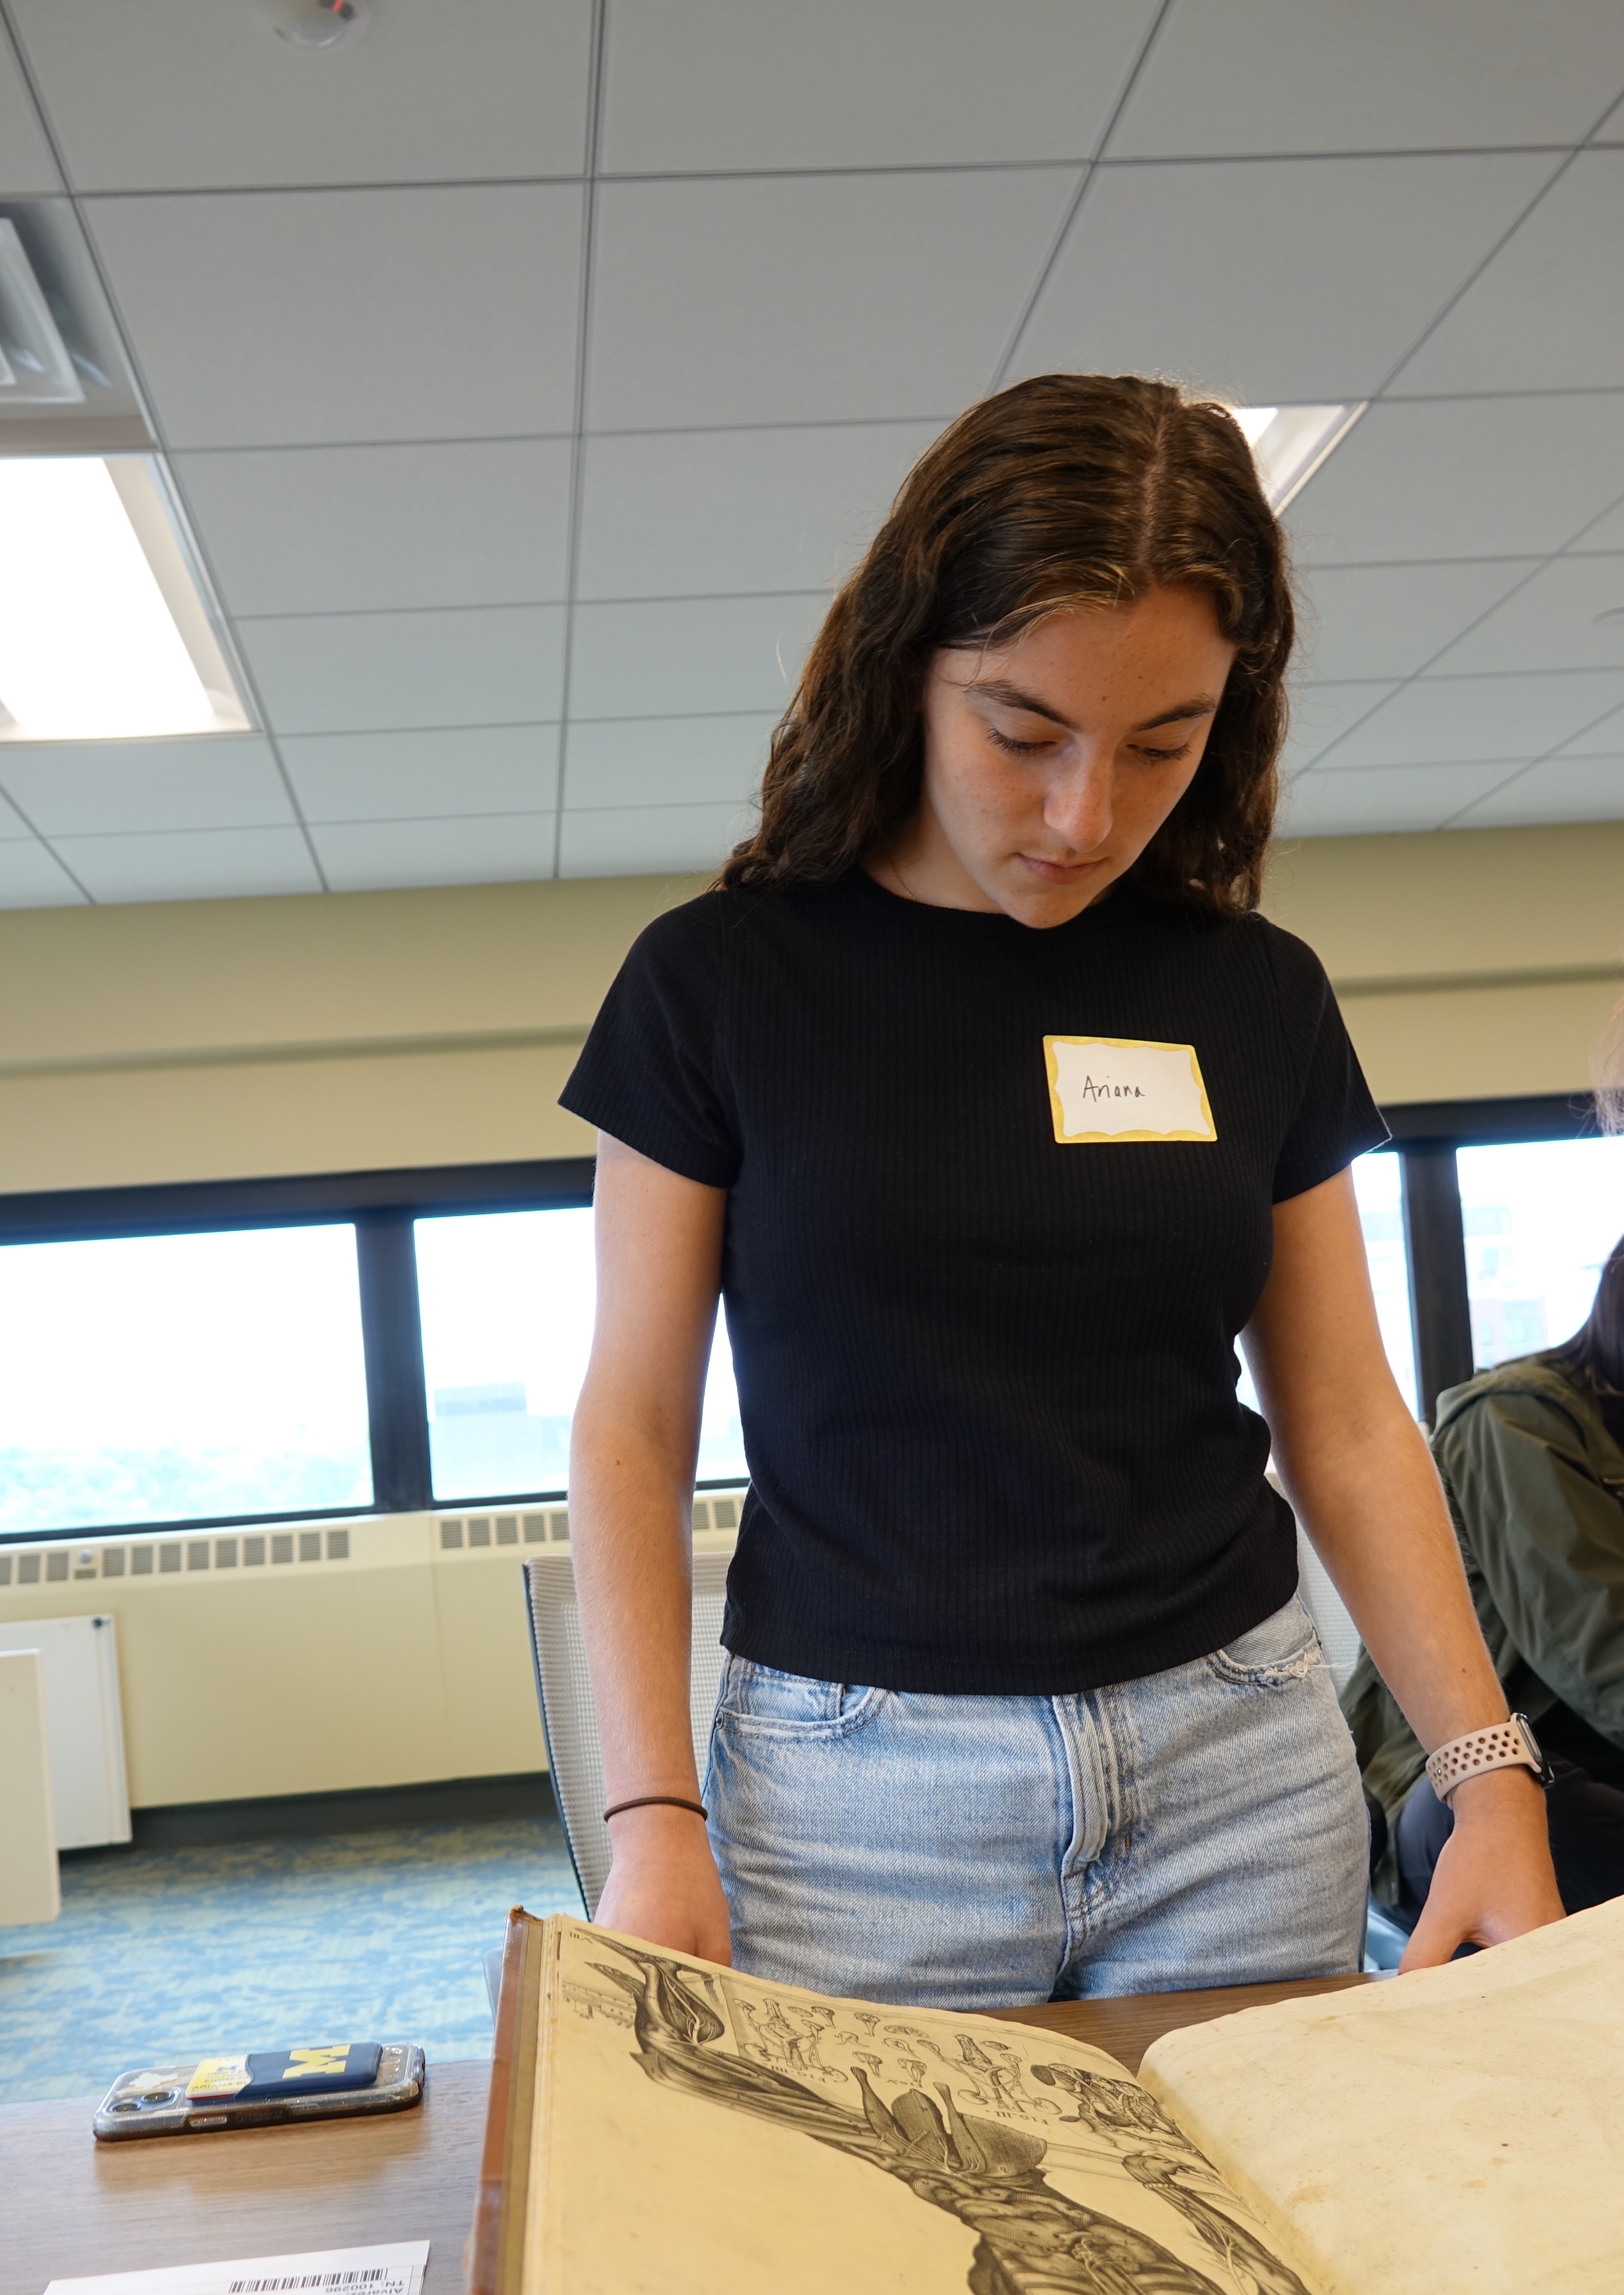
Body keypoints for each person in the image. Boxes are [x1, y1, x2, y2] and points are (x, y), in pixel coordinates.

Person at [562, 372, 1562, 2008]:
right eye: (1023, 732)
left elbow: (1348, 1415)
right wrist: (654, 1808)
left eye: (1164, 743)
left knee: (1248, 2248)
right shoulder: (718, 987)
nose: (1084, 813)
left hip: (1237, 1763)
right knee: (899, 2252)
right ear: (907, 672)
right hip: (857, 1795)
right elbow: (633, 1424)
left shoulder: (1254, 993)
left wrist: (1487, 1767)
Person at [1347, 1229, 1624, 1923]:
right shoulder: (1514, 1417)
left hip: (1601, 1755)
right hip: (1467, 1777)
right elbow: (1599, 1651)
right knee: (1556, 1813)